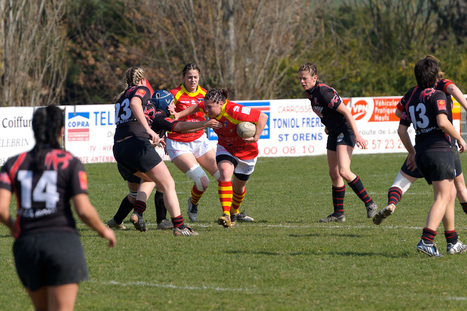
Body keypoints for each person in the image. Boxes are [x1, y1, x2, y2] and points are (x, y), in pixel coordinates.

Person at [0, 105, 116, 311]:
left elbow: (1, 209)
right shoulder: (70, 162)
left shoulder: (12, 163)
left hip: (27, 246)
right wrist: (103, 230)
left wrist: (11, 226)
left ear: (34, 130)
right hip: (62, 243)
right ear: (62, 130)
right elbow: (83, 210)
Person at [108, 89, 220, 231]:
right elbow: (180, 127)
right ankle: (159, 219)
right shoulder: (159, 115)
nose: (174, 106)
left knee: (135, 193)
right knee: (163, 183)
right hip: (139, 153)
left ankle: (118, 220)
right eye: (172, 103)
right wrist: (205, 124)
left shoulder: (146, 111)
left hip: (122, 152)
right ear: (167, 104)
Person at [373, 55, 467, 225]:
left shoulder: (413, 93)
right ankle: (443, 238)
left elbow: (399, 114)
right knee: (455, 191)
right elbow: (452, 90)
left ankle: (392, 203)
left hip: (420, 148)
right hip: (444, 147)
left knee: (402, 180)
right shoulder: (440, 85)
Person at [113, 66, 198, 236]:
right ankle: (180, 227)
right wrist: (149, 131)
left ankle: (136, 213)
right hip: (136, 143)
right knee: (168, 184)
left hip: (119, 147)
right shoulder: (141, 89)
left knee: (152, 181)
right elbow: (135, 103)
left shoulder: (121, 96)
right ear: (143, 79)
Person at [398, 57, 467, 257]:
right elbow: (443, 122)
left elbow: (402, 131)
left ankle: (452, 241)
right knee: (443, 197)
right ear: (436, 76)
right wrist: (460, 139)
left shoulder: (413, 97)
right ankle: (426, 241)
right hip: (440, 150)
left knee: (450, 195)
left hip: (422, 151)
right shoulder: (437, 94)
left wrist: (412, 152)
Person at [169, 63, 254, 222]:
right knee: (203, 182)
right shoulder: (174, 94)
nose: (193, 80)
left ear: (199, 77)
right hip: (179, 143)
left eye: (195, 77)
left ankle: (232, 212)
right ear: (183, 78)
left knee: (224, 177)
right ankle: (193, 203)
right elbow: (169, 118)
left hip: (200, 141)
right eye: (189, 77)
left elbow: (221, 112)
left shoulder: (206, 94)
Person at [175, 89, 268, 227]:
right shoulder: (207, 107)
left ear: (220, 104)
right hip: (226, 147)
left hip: (246, 151)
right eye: (205, 106)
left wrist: (256, 137)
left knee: (239, 188)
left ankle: (234, 212)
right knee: (224, 173)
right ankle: (226, 214)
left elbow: (262, 117)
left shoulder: (235, 111)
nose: (206, 110)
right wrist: (178, 114)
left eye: (209, 107)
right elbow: (197, 107)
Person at [298, 63, 378, 222]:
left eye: (305, 78)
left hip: (345, 131)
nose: (301, 81)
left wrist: (357, 135)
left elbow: (346, 112)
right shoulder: (310, 93)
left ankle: (370, 203)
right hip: (334, 132)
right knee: (334, 173)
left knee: (344, 171)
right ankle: (338, 214)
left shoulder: (323, 92)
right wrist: (328, 126)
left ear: (315, 78)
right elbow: (326, 112)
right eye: (300, 78)